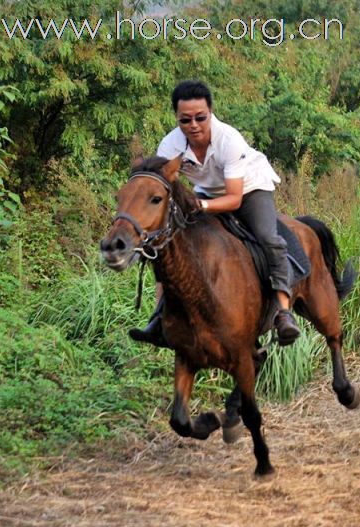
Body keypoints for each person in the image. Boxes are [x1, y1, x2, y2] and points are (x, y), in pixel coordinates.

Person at [129, 80, 301, 347]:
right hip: (206, 191)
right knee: (169, 244)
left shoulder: (228, 140)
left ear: (210, 113)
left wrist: (202, 205)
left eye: (200, 118)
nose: (193, 125)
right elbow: (161, 183)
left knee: (267, 237)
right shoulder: (170, 145)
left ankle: (283, 312)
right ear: (176, 117)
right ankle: (159, 317)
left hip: (248, 188)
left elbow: (233, 199)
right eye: (185, 120)